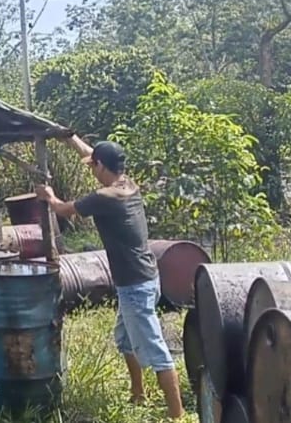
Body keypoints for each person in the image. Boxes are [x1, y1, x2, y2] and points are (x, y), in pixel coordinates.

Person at [36, 137, 185, 419]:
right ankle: (138, 394)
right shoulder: (127, 184)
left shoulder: (104, 198)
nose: (91, 170)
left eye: (93, 166)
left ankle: (177, 415)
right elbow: (93, 154)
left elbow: (63, 209)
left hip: (135, 285)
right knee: (124, 339)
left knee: (156, 350)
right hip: (144, 278)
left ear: (102, 166)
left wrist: (48, 195)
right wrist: (71, 139)